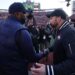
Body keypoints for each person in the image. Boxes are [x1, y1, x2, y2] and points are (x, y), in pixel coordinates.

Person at [0, 2, 48, 75]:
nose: (25, 15)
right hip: (17, 71)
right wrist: (44, 52)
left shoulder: (1, 24)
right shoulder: (21, 31)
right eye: (24, 13)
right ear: (17, 14)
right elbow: (32, 57)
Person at [31, 9, 75, 75]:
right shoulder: (61, 30)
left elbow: (73, 62)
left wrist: (48, 70)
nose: (49, 21)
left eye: (51, 18)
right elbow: (58, 44)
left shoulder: (69, 32)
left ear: (58, 18)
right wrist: (47, 50)